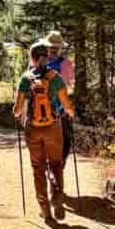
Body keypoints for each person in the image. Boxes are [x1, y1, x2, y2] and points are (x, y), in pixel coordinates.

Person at [13, 41, 76, 222]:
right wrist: (71, 115)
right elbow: (67, 106)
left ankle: (45, 210)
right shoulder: (56, 78)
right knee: (56, 164)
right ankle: (57, 199)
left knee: (38, 168)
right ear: (47, 57)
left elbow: (18, 109)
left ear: (32, 58)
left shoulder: (26, 79)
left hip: (33, 129)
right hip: (53, 127)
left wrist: (16, 113)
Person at [43, 31, 75, 162]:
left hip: (41, 106)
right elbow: (69, 87)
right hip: (59, 107)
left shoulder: (37, 62)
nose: (54, 50)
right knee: (67, 138)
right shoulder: (65, 64)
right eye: (52, 47)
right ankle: (59, 165)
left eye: (55, 47)